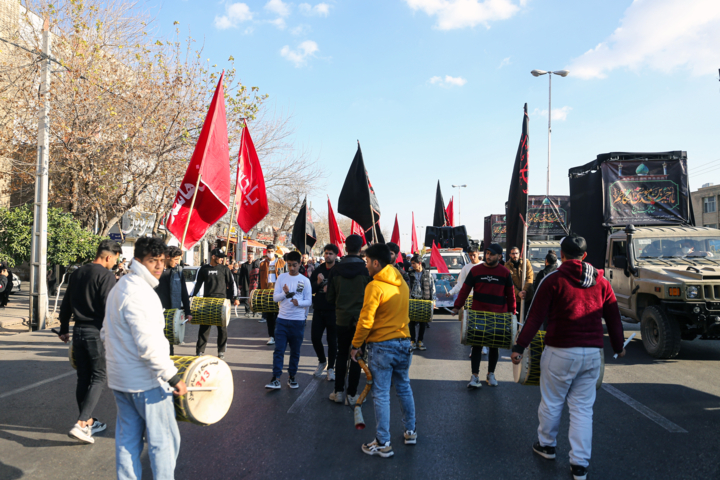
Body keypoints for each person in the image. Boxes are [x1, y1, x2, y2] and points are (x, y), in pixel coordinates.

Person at [511, 235, 625, 480]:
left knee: (552, 402)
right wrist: (618, 346)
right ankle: (580, 465)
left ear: (561, 255)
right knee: (583, 410)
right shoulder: (601, 281)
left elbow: (534, 316)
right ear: (584, 256)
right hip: (593, 353)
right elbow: (614, 317)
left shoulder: (554, 279)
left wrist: (519, 347)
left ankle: (547, 446)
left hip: (560, 351)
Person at [102, 237, 187, 479]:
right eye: (153, 261)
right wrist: (172, 377)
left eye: (161, 261)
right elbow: (150, 345)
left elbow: (104, 333)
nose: (159, 266)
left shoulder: (120, 287)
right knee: (164, 443)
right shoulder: (140, 293)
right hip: (146, 384)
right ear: (138, 260)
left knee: (127, 442)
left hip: (121, 381)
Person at [350, 243, 416, 458]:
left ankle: (382, 442)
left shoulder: (374, 286)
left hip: (382, 346)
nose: (366, 266)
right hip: (404, 342)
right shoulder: (402, 284)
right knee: (404, 387)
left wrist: (356, 344)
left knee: (381, 394)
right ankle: (410, 431)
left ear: (376, 262)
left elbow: (366, 320)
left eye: (367, 261)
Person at [57, 239, 121, 443]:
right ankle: (82, 423)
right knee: (99, 377)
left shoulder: (77, 273)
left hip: (78, 332)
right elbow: (108, 309)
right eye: (115, 261)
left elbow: (66, 302)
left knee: (83, 377)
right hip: (96, 332)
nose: (114, 264)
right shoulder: (106, 276)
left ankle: (89, 422)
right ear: (109, 256)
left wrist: (64, 328)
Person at [452, 243, 516, 388]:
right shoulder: (475, 271)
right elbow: (465, 290)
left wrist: (513, 311)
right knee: (477, 345)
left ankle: (490, 374)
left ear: (499, 257)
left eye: (492, 254)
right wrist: (457, 307)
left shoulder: (505, 273)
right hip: (478, 314)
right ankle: (474, 376)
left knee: (494, 346)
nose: (488, 256)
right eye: (487, 253)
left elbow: (510, 294)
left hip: (498, 316)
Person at [326, 235, 370, 404]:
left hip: (341, 319)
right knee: (357, 356)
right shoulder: (367, 270)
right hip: (361, 320)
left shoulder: (336, 270)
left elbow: (330, 298)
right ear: (360, 249)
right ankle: (352, 395)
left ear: (345, 248)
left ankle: (338, 392)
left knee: (341, 354)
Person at [265, 250, 312, 390]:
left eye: (294, 265)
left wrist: (300, 303)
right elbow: (275, 298)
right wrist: (284, 294)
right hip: (282, 319)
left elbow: (309, 301)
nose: (291, 268)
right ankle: (276, 378)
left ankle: (292, 377)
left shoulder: (305, 280)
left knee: (295, 351)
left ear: (300, 264)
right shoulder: (281, 278)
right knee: (279, 350)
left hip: (298, 321)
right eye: (289, 265)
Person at [193, 248, 239, 359]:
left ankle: (221, 351)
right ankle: (200, 351)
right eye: (220, 257)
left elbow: (232, 283)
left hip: (221, 302)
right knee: (204, 327)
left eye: (223, 258)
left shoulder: (225, 269)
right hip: (207, 302)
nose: (222, 260)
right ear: (213, 256)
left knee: (222, 328)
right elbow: (197, 284)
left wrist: (236, 298)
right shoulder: (203, 269)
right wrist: (192, 298)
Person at [154, 246, 192, 355]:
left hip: (172, 312)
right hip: (156, 312)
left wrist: (188, 312)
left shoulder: (177, 271)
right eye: (175, 259)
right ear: (167, 257)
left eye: (179, 259)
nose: (177, 262)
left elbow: (184, 292)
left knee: (169, 342)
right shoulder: (155, 270)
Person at [309, 244, 339, 381]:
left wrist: (330, 289)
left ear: (336, 255)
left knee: (332, 341)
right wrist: (318, 282)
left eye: (331, 253)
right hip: (319, 309)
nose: (328, 256)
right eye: (326, 253)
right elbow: (310, 289)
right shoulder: (318, 270)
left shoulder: (339, 270)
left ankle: (331, 368)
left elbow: (342, 289)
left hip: (333, 311)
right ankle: (322, 361)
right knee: (315, 338)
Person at [407, 254, 435, 351]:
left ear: (419, 263)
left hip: (424, 300)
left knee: (423, 322)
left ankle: (420, 341)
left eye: (413, 263)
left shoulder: (428, 274)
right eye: (411, 264)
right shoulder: (410, 274)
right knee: (411, 322)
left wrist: (433, 301)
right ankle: (412, 341)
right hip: (412, 300)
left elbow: (432, 287)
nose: (412, 265)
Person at [259, 245, 286, 344]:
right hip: (267, 292)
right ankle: (271, 336)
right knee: (270, 316)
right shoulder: (262, 264)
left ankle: (280, 335)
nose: (270, 253)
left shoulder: (281, 262)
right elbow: (260, 279)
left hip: (279, 291)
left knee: (280, 315)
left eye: (271, 251)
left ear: (275, 251)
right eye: (268, 251)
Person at [507, 246, 534, 311]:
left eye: (516, 253)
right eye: (513, 254)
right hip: (515, 298)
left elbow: (530, 277)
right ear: (510, 255)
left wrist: (524, 291)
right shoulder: (507, 266)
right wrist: (518, 293)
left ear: (519, 254)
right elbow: (509, 282)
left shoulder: (526, 262)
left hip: (527, 297)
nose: (515, 255)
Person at [239, 252, 258, 316]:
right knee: (247, 298)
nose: (250, 258)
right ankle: (247, 311)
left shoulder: (254, 264)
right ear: (247, 257)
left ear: (253, 258)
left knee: (254, 298)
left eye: (251, 257)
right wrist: (240, 284)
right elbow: (241, 275)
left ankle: (255, 311)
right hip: (246, 283)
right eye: (249, 257)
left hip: (253, 284)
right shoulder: (244, 265)